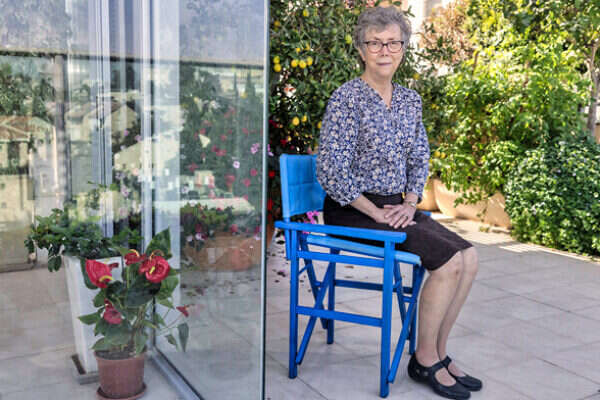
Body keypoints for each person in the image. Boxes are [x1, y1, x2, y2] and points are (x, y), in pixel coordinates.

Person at [316, 6, 481, 400]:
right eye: (375, 43)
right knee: (446, 263)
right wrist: (376, 212)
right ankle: (423, 359)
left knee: (469, 257)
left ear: (403, 49)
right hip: (354, 211)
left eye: (393, 43)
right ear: (361, 49)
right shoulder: (347, 99)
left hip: (396, 207)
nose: (384, 51)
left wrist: (410, 201)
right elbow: (330, 169)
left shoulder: (410, 100)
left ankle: (439, 352)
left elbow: (419, 156)